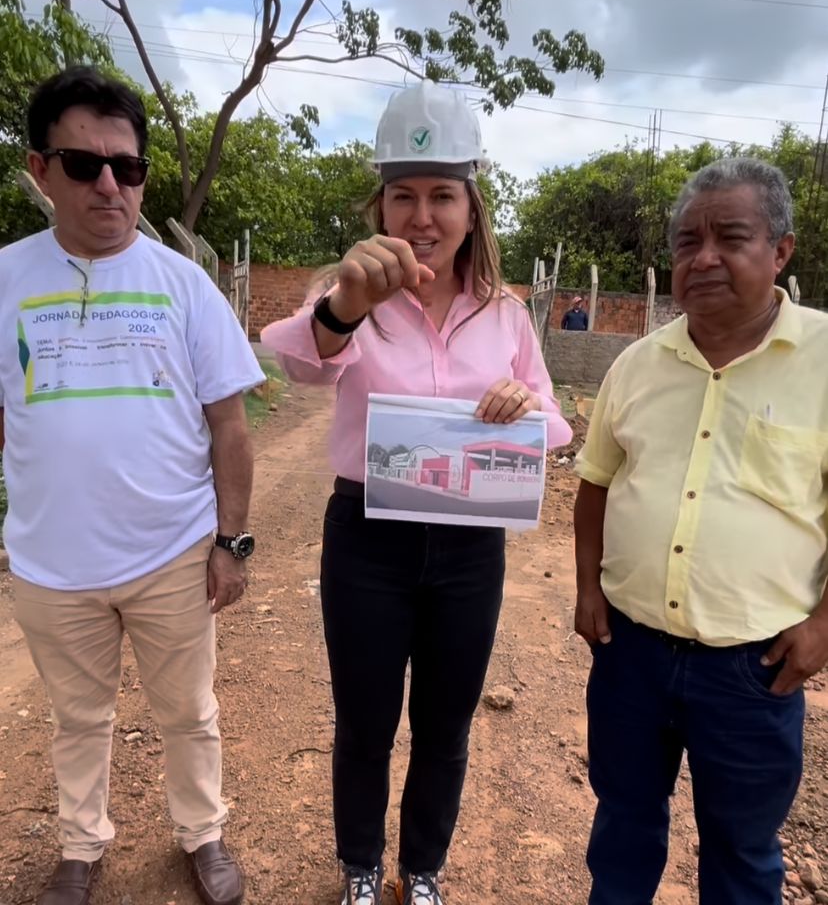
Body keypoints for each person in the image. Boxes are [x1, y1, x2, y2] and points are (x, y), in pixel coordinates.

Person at [261, 80, 572, 905]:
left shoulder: (504, 313)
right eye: (404, 195)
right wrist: (345, 307)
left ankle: (423, 871)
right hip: (369, 538)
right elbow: (295, 364)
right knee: (365, 723)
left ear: (473, 208)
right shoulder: (351, 292)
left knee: (445, 726)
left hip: (471, 546)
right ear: (380, 205)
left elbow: (556, 423)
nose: (422, 214)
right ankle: (362, 867)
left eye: (442, 195)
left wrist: (527, 406)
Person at [0, 67, 264, 905]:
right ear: (41, 171)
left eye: (129, 166)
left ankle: (203, 835)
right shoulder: (4, 279)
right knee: (77, 718)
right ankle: (79, 848)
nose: (110, 184)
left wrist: (230, 543)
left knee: (189, 712)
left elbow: (230, 428)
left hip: (171, 556)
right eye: (84, 165)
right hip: (51, 564)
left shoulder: (184, 286)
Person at [573, 157, 828, 905]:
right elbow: (593, 482)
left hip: (755, 668)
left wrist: (824, 624)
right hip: (631, 655)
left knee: (743, 854)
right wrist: (587, 585)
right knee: (622, 828)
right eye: (688, 242)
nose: (704, 257)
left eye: (730, 237)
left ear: (780, 251)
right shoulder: (637, 364)